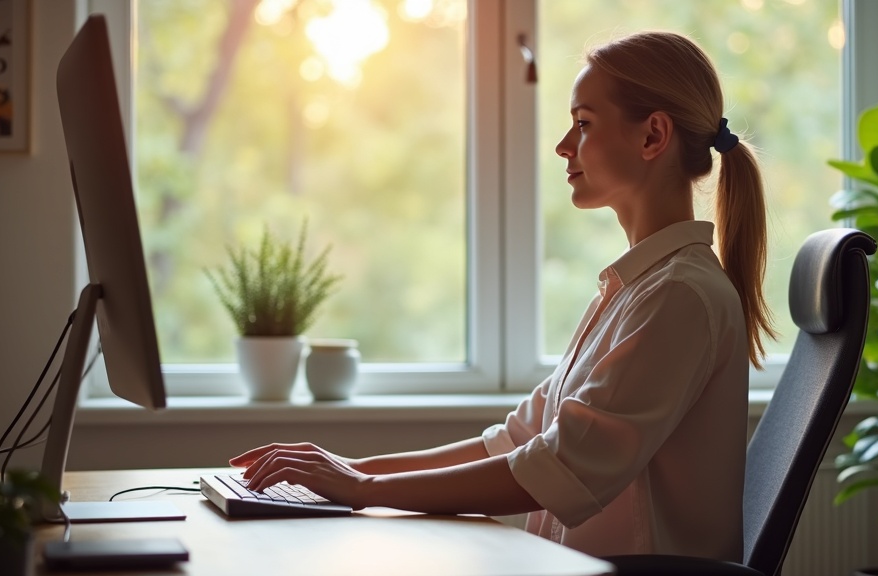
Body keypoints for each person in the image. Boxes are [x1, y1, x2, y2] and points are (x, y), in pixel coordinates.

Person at [231, 31, 774, 562]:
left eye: (583, 124)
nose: (564, 145)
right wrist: (354, 471)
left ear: (653, 136)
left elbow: (560, 466)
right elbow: (519, 439)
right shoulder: (637, 290)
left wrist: (364, 491)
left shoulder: (678, 295)